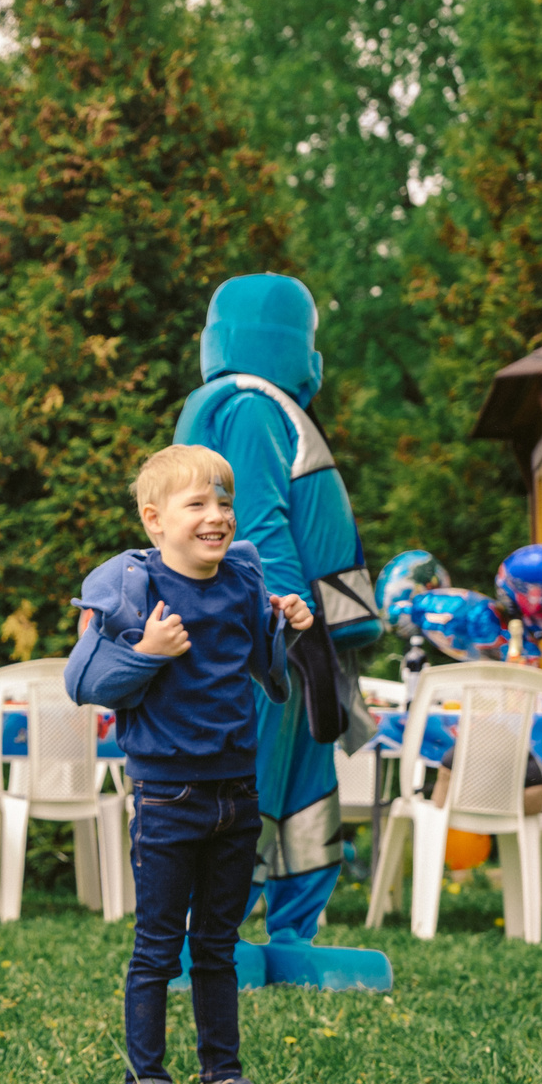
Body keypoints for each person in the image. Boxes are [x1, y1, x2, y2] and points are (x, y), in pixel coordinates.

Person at [66, 445, 310, 1084]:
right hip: (168, 796)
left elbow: (263, 667)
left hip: (236, 791)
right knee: (157, 944)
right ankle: (145, 1079)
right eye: (197, 503)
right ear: (155, 519)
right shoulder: (132, 587)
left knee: (218, 943)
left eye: (224, 502)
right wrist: (148, 652)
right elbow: (82, 683)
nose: (217, 515)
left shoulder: (241, 576)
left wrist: (280, 623)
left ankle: (223, 1076)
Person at [174, 275, 388, 990]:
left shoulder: (272, 409)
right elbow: (257, 520)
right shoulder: (247, 408)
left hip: (301, 643)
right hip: (267, 639)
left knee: (302, 781)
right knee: (245, 781)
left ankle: (295, 929)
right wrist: (287, 620)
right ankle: (213, 933)